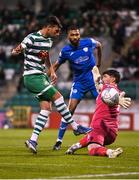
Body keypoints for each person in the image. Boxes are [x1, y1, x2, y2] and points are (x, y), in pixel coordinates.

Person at [11, 16, 92, 154]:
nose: (58, 33)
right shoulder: (32, 37)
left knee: (46, 109)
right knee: (58, 97)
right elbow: (21, 47)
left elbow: (46, 56)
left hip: (41, 76)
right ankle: (75, 126)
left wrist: (52, 71)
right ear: (48, 27)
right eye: (57, 30)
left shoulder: (48, 41)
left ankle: (33, 140)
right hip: (32, 76)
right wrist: (16, 50)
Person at [52, 25, 102, 150]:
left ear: (80, 35)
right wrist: (48, 75)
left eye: (77, 34)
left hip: (93, 81)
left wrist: (99, 63)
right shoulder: (65, 51)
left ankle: (100, 136)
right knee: (70, 110)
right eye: (73, 35)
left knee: (102, 106)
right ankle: (59, 141)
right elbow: (57, 65)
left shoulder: (88, 42)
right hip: (78, 83)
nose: (75, 37)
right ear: (68, 36)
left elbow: (99, 45)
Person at [66, 69, 131, 158]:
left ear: (113, 79)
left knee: (92, 148)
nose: (103, 79)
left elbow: (105, 91)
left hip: (100, 126)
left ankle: (109, 152)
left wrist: (116, 99)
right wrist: (75, 146)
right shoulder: (117, 92)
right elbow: (100, 87)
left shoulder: (108, 88)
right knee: (91, 135)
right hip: (112, 133)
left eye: (105, 77)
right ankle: (75, 146)